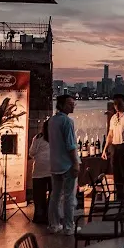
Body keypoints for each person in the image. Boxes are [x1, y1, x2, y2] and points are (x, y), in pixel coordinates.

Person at [47, 94, 80, 235]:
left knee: (55, 195)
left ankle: (54, 225)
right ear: (61, 105)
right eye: (69, 104)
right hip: (67, 164)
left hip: (54, 163)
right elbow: (71, 145)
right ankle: (68, 226)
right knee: (69, 196)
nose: (72, 106)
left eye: (73, 103)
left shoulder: (51, 121)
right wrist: (75, 163)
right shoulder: (67, 121)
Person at [102, 93, 124, 198]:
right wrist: (104, 149)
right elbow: (110, 135)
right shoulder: (113, 118)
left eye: (119, 103)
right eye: (115, 104)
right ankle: (119, 198)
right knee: (116, 174)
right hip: (114, 148)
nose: (117, 106)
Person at [28, 118, 52, 225]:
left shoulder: (37, 138)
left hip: (39, 171)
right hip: (53, 170)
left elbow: (31, 153)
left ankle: (39, 217)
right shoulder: (58, 138)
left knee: (39, 196)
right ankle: (50, 216)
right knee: (53, 195)